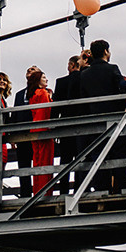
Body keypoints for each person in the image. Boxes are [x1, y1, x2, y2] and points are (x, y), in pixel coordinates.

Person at [76, 38, 126, 192]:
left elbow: (83, 98)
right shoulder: (112, 69)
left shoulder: (85, 74)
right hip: (115, 120)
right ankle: (120, 190)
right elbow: (121, 87)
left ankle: (102, 190)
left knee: (99, 157)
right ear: (105, 51)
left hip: (95, 121)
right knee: (119, 156)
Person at [52, 52, 87, 193]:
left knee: (65, 160)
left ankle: (64, 190)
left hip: (66, 124)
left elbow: (56, 107)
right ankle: (79, 189)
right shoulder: (85, 78)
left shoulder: (61, 82)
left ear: (72, 65)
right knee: (81, 157)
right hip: (83, 124)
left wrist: (54, 125)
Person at [22, 66, 55, 196]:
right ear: (38, 80)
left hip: (34, 130)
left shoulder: (33, 94)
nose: (46, 79)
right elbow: (46, 112)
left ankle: (37, 191)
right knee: (46, 163)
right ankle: (46, 192)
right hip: (44, 130)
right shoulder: (43, 93)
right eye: (44, 77)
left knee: (37, 163)